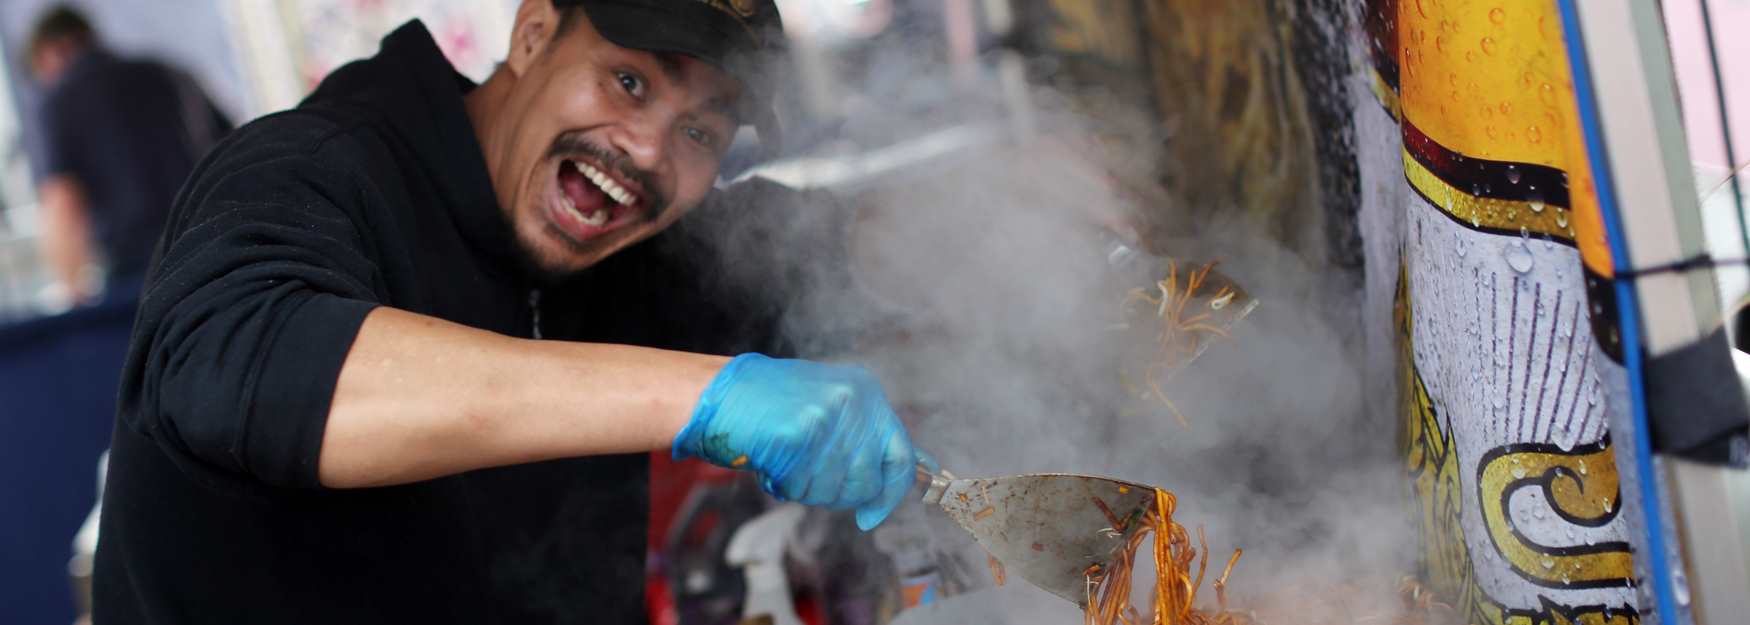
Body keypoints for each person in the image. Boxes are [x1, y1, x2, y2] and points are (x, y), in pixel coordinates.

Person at [92, 1, 927, 623]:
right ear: (533, 33)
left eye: (701, 133)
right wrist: (707, 397)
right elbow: (251, 360)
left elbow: (804, 244)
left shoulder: (622, 244)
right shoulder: (309, 167)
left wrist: (1020, 204)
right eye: (629, 81)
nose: (646, 150)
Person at [25, 5, 232, 302]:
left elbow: (62, 201)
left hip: (141, 275)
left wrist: (72, 291)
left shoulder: (58, 101)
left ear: (51, 52)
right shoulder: (171, 73)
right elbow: (232, 150)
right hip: (215, 249)